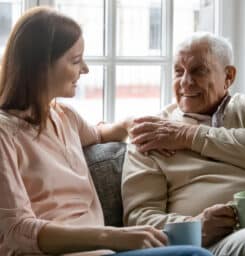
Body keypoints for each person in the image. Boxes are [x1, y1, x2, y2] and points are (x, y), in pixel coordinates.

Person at [0, 6, 213, 256]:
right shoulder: (5, 134)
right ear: (41, 65)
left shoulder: (65, 117)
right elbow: (14, 232)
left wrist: (130, 125)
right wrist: (114, 235)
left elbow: (101, 134)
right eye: (76, 60)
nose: (86, 69)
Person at [122, 32, 245, 256]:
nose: (185, 82)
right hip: (210, 243)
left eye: (198, 70)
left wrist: (189, 135)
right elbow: (139, 217)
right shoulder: (152, 135)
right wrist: (196, 225)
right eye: (178, 71)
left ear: (229, 76)